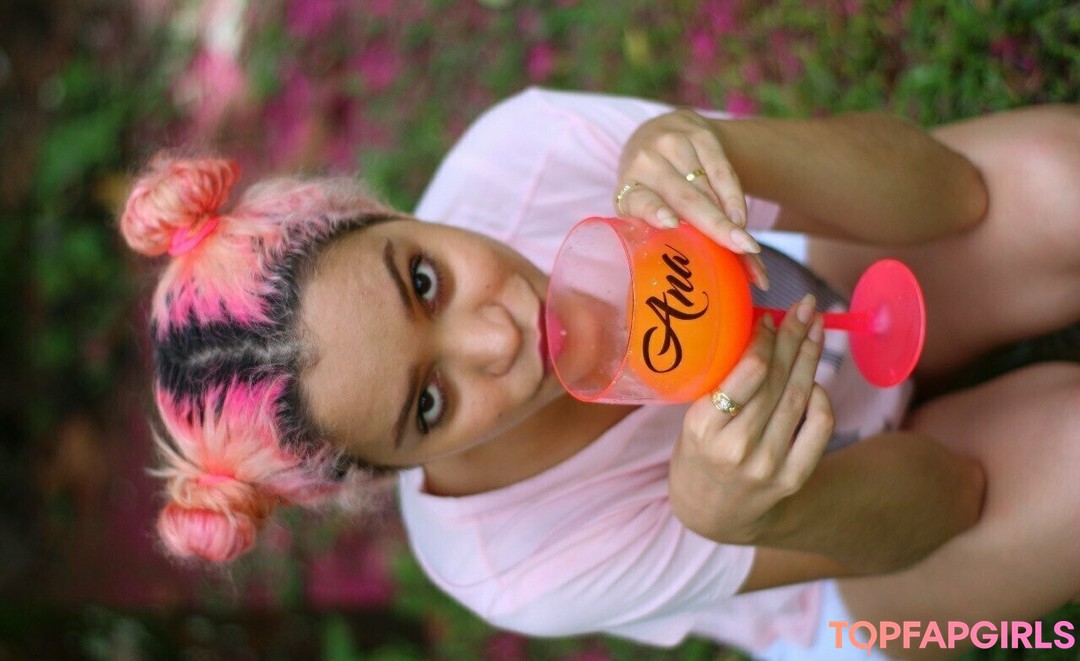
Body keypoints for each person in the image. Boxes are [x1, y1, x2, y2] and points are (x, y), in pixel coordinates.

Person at [119, 87, 1080, 659]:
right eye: (431, 401)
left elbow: (951, 194)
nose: (495, 338)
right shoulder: (515, 569)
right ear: (389, 470)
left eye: (423, 280)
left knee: (1062, 184)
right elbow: (947, 499)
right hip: (855, 581)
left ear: (388, 216)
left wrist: (725, 151)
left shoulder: (520, 159)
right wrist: (747, 512)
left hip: (823, 286)